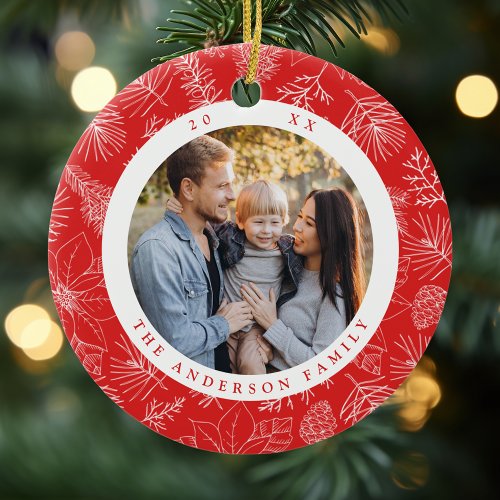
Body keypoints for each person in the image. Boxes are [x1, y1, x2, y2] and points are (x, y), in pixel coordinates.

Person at [130, 136, 253, 372]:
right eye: (221, 186)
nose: (232, 194)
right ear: (188, 188)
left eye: (231, 184)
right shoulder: (158, 249)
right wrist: (225, 324)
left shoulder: (215, 239)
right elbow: (173, 341)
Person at [167, 180, 303, 375]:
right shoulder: (231, 236)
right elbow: (200, 219)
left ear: (284, 221)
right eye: (258, 222)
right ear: (240, 221)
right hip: (227, 321)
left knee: (250, 365)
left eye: (274, 222)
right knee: (224, 367)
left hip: (256, 327)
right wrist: (177, 206)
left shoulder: (288, 250)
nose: (266, 230)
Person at [241, 188, 365, 370]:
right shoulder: (284, 261)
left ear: (331, 233)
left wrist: (272, 325)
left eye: (309, 223)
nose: (297, 226)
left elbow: (322, 366)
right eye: (300, 217)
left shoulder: (333, 295)